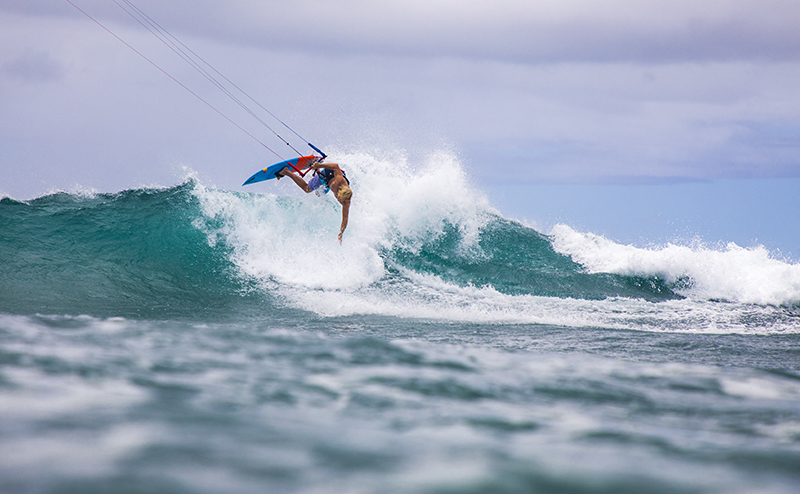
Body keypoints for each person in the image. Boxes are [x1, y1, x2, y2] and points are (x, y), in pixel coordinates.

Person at [277, 161, 353, 244]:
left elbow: (345, 219)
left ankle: (315, 171)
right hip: (328, 174)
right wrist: (320, 165)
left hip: (328, 183)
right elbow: (335, 166)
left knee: (318, 194)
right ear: (340, 191)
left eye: (341, 201)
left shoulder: (346, 203)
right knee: (307, 189)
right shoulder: (339, 181)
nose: (339, 200)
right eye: (339, 198)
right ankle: (287, 172)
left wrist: (341, 233)